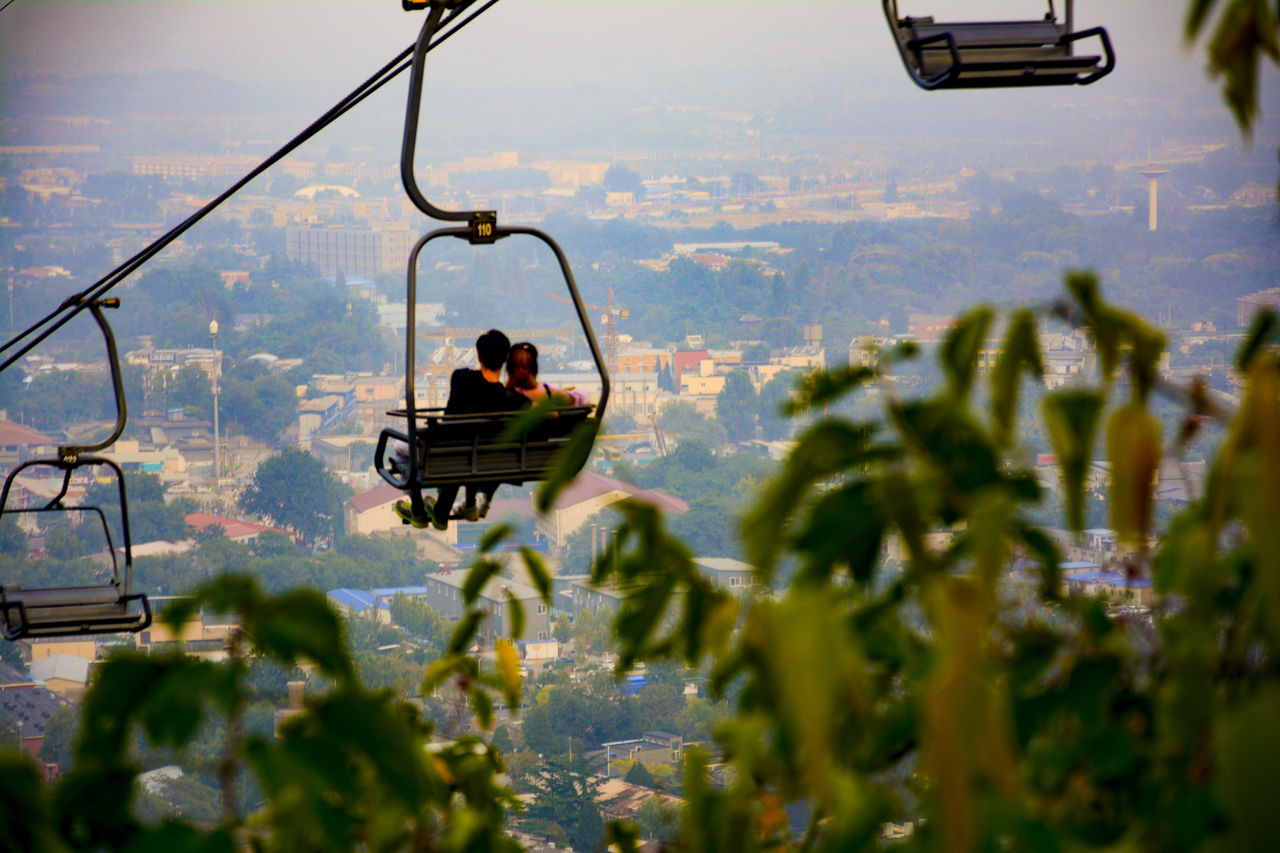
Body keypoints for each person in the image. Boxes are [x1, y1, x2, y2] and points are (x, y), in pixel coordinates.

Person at [394, 329, 527, 530]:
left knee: (399, 445)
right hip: (483, 461)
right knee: (460, 457)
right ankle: (441, 510)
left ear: (479, 356)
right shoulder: (514, 400)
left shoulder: (461, 378)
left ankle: (418, 508)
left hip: (443, 456)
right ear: (506, 359)